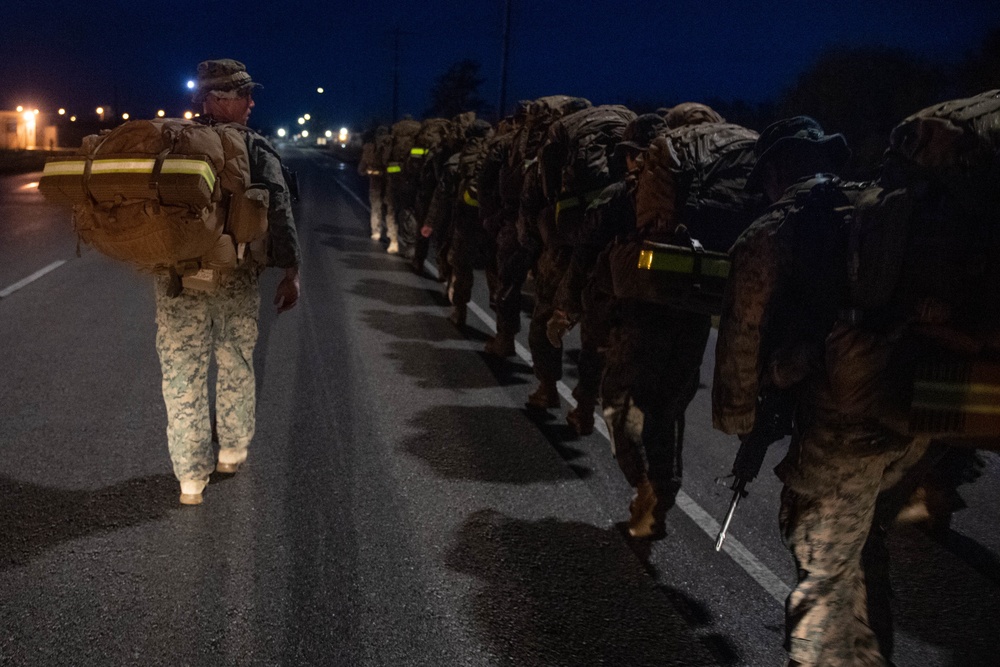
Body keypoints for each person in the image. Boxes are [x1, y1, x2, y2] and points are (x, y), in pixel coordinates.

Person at [712, 116, 932, 666]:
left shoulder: (772, 230)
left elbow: (742, 332)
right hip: (915, 406)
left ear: (778, 169)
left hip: (846, 418)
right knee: (859, 549)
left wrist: (742, 416)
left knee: (821, 557)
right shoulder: (875, 208)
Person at [155, 59, 301, 505]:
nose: (251, 102)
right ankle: (232, 452)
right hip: (235, 277)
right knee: (236, 360)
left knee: (182, 372)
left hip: (179, 279)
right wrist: (291, 270)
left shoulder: (170, 142)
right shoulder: (253, 147)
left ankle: (189, 479)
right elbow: (280, 210)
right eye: (243, 94)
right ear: (217, 99)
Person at [358, 125, 389, 241]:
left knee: (376, 208)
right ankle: (391, 234)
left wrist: (369, 172)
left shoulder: (370, 148)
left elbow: (361, 169)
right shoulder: (392, 146)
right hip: (390, 183)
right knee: (389, 209)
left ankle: (376, 232)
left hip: (375, 183)